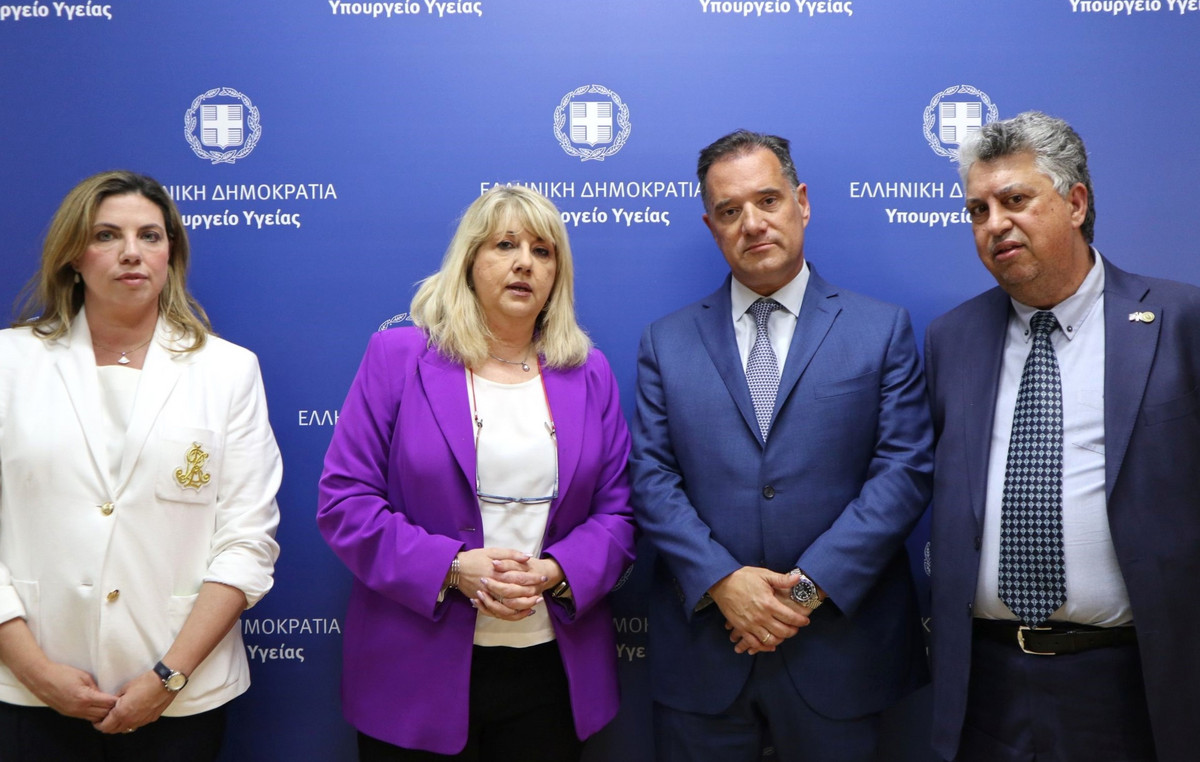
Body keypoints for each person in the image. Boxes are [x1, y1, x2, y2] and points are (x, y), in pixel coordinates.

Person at [629, 129, 933, 761]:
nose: (752, 223)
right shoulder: (665, 342)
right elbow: (651, 477)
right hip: (705, 656)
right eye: (729, 210)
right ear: (711, 225)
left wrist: (802, 593)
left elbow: (903, 472)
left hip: (840, 654)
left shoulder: (881, 330)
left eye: (767, 200)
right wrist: (722, 582)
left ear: (802, 202)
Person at [317, 185, 636, 761]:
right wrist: (452, 568)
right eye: (505, 245)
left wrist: (557, 571)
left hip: (552, 670)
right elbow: (345, 504)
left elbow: (618, 513)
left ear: (557, 274)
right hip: (413, 669)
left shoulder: (589, 372)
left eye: (542, 251)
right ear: (469, 261)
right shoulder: (397, 358)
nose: (524, 263)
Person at [925, 111, 1200, 761]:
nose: (994, 224)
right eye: (978, 210)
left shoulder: (1180, 321)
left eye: (1015, 200)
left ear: (1075, 203)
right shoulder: (951, 339)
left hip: (1132, 680)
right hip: (987, 683)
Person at [0, 170, 282, 760]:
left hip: (181, 694)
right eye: (106, 235)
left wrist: (168, 677)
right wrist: (34, 670)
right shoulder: (10, 364)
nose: (131, 252)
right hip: (28, 690)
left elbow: (247, 541)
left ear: (170, 253)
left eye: (149, 236)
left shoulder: (228, 371)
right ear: (73, 255)